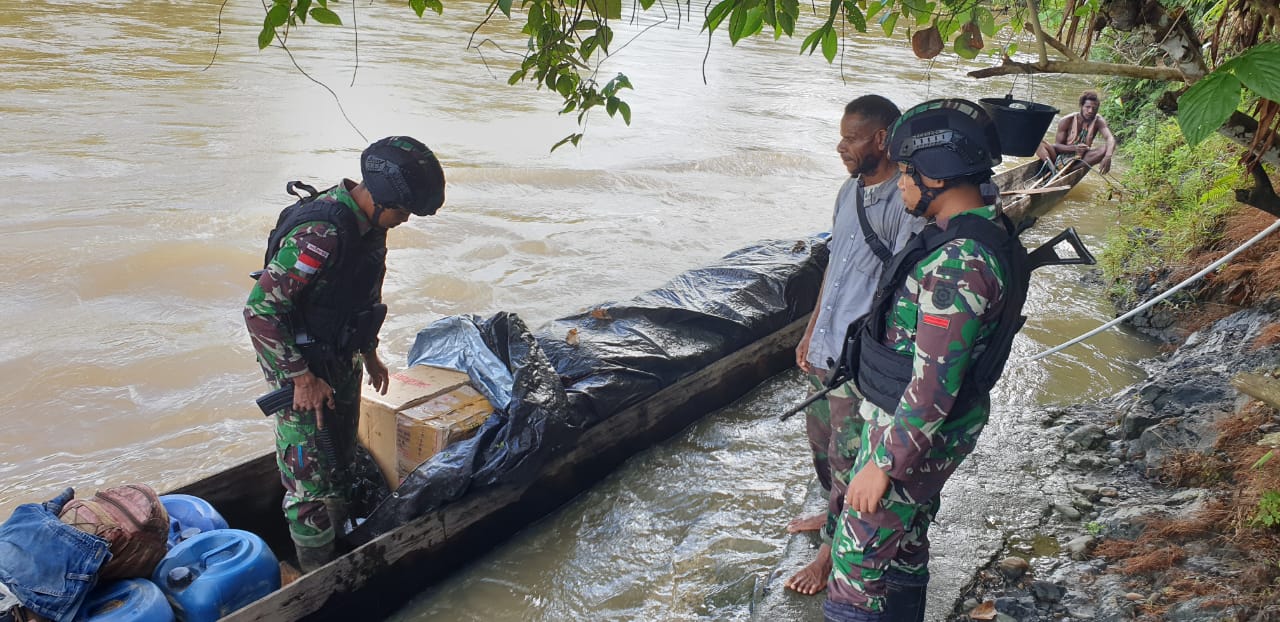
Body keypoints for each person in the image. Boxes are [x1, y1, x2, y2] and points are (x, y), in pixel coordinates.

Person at [825, 99, 1025, 622]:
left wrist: (882, 467)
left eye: (909, 173)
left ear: (937, 176)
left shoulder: (959, 263)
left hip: (912, 433)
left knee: (856, 567)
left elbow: (931, 385)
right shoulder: (980, 231)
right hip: (930, 430)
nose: (903, 184)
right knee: (907, 545)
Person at [244, 136, 446, 572]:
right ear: (379, 197)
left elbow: (362, 297)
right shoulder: (321, 235)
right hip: (300, 370)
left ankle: (340, 542)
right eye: (403, 211)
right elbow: (260, 312)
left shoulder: (371, 227)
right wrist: (301, 378)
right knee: (309, 488)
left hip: (341, 358)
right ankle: (316, 577)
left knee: (341, 457)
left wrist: (370, 353)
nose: (405, 219)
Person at [785, 95, 922, 596]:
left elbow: (901, 289)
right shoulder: (848, 191)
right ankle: (828, 514)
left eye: (852, 137)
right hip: (826, 347)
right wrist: (810, 328)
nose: (841, 146)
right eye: (842, 136)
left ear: (881, 139)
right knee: (821, 444)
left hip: (859, 361)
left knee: (849, 455)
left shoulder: (903, 205)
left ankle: (828, 553)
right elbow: (835, 267)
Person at [1035, 90, 1117, 174]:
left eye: (1094, 108)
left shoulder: (1098, 120)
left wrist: (1108, 156)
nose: (1090, 111)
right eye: (1087, 107)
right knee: (1037, 142)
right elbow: (1057, 146)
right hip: (1060, 157)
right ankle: (1052, 168)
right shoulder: (1067, 120)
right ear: (1081, 106)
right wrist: (1075, 148)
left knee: (1108, 147)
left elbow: (1110, 138)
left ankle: (1071, 170)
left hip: (1082, 158)